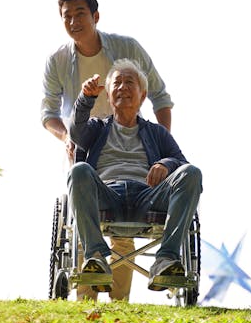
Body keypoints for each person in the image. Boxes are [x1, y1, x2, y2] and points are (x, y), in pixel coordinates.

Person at [41, 0, 174, 301]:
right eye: (67, 16)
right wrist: (65, 139)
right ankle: (85, 301)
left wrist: (162, 147)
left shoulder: (127, 48)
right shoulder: (58, 61)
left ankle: (118, 304)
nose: (74, 21)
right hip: (83, 141)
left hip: (126, 140)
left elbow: (160, 97)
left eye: (80, 14)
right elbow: (48, 113)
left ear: (95, 17)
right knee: (83, 218)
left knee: (123, 229)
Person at [68, 59, 202, 293]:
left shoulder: (156, 132)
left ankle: (166, 260)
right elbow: (76, 131)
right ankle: (96, 257)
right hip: (107, 194)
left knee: (191, 174)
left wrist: (165, 164)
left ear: (142, 95)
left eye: (129, 82)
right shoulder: (98, 128)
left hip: (146, 196)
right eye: (116, 83)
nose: (122, 87)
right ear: (108, 96)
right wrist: (85, 98)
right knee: (79, 170)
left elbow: (183, 163)